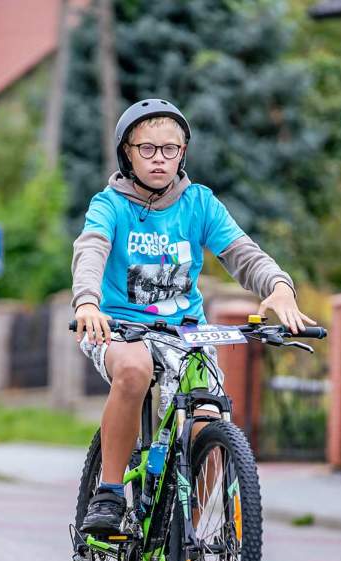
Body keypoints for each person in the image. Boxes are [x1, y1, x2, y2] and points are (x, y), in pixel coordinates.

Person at [72, 99, 316, 536]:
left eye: (171, 149)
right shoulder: (109, 204)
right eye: (147, 149)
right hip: (119, 327)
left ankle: (191, 543)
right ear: (126, 151)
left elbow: (243, 255)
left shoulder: (199, 203)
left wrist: (279, 288)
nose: (160, 159)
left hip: (185, 334)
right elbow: (91, 249)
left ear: (184, 152)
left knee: (209, 423)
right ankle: (108, 492)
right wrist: (87, 302)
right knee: (134, 369)